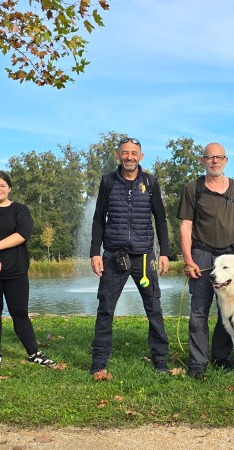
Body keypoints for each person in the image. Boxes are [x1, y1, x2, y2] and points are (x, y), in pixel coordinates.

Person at [89, 137, 171, 374]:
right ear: (118, 155)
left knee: (154, 309)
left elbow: (161, 219)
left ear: (141, 157)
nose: (129, 157)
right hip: (113, 254)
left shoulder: (151, 182)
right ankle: (99, 363)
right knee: (105, 309)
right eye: (125, 153)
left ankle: (161, 361)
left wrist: (164, 252)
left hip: (144, 256)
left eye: (134, 153)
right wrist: (95, 252)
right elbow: (98, 219)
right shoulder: (107, 182)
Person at [178, 142, 234, 379]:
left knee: (227, 312)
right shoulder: (192, 188)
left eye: (219, 157)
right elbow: (186, 226)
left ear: (226, 161)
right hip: (202, 255)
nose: (215, 161)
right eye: (210, 157)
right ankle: (198, 363)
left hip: (231, 257)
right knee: (199, 311)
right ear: (203, 161)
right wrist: (188, 259)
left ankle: (221, 357)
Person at [0, 171, 55, 368]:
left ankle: (34, 352)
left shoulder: (20, 210)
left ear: (9, 188)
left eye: (2, 185)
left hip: (16, 270)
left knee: (20, 313)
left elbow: (22, 235)